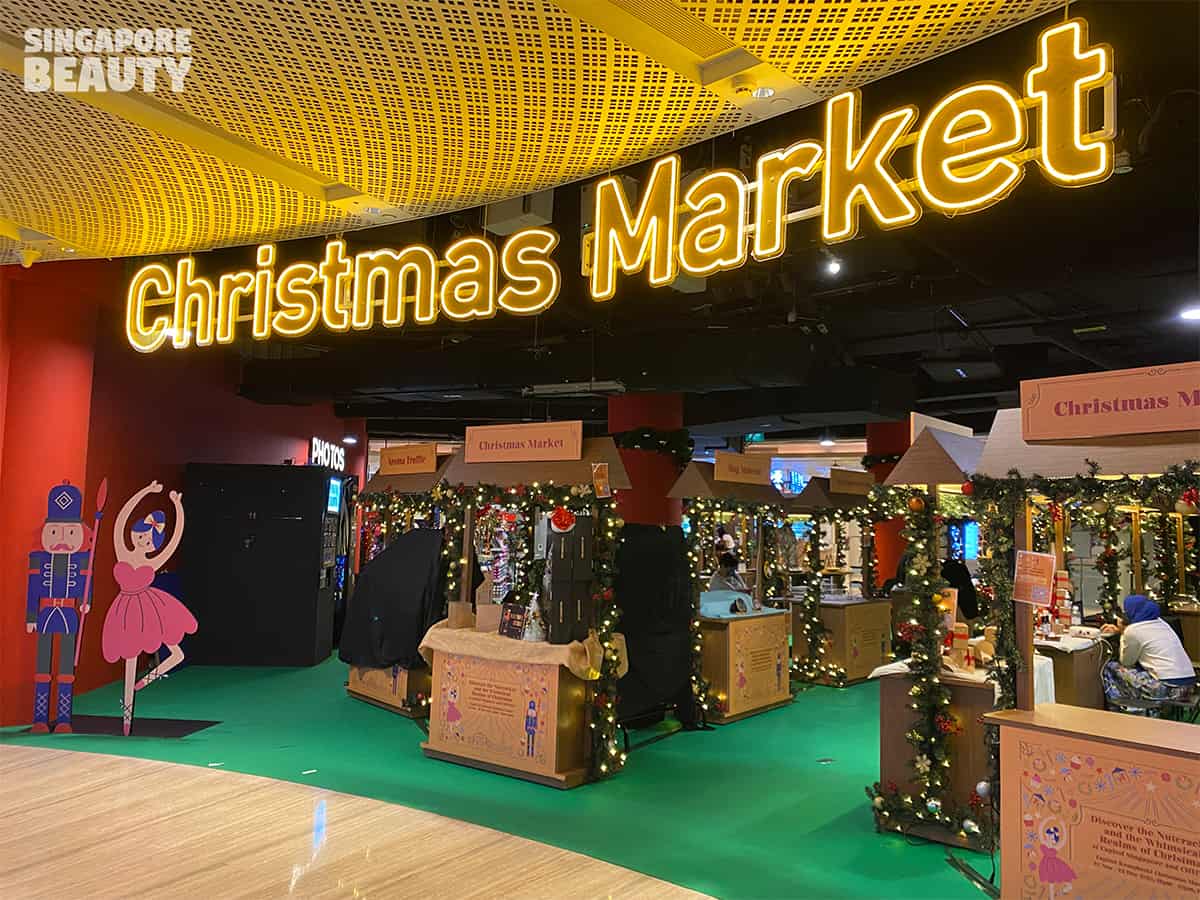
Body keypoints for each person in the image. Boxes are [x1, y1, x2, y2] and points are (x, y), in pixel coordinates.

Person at [101, 481, 198, 735]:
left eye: (149, 537)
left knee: (177, 654)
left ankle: (144, 682)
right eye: (141, 534)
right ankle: (126, 720)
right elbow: (121, 520)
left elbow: (174, 539)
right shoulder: (122, 552)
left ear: (154, 544)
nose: (144, 539)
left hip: (148, 607)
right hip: (126, 609)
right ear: (135, 534)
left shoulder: (154, 560)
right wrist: (146, 491)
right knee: (129, 661)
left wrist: (178, 508)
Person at [1100, 594, 1195, 709]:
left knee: (1110, 667)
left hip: (1167, 689)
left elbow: (1126, 662)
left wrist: (1123, 633)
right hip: (1189, 687)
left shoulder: (1132, 631)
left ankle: (1123, 710)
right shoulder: (1161, 623)